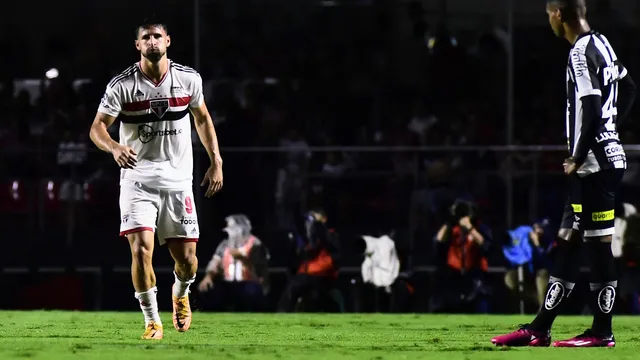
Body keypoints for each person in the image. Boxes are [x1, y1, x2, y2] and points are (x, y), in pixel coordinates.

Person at [491, 0, 636, 348]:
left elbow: (588, 103)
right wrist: (611, 131)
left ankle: (603, 332)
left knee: (599, 246)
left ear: (558, 14)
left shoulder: (580, 52)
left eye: (548, 14)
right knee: (567, 241)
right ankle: (539, 328)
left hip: (593, 166)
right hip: (601, 159)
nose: (549, 21)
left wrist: (578, 154)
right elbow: (629, 88)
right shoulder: (602, 42)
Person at [88, 18, 223, 340]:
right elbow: (97, 128)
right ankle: (152, 321)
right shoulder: (121, 85)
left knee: (188, 261)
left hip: (177, 181)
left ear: (168, 41)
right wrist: (115, 147)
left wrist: (216, 160)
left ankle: (181, 294)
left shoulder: (188, 79)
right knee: (140, 249)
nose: (152, 41)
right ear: (138, 45)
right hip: (138, 180)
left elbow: (202, 118)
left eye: (157, 36)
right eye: (145, 37)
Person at [197, 214, 269, 312]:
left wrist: (243, 259)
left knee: (250, 292)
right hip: (227, 283)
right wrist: (208, 276)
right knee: (211, 290)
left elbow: (260, 266)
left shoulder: (255, 243)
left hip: (249, 282)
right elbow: (215, 261)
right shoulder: (224, 244)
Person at [502, 219, 552, 311]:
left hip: (540, 273)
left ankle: (543, 312)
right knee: (510, 278)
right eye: (537, 228)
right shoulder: (524, 235)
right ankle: (532, 300)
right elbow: (513, 252)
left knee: (542, 277)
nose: (538, 231)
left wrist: (537, 244)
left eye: (541, 228)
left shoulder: (548, 242)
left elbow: (546, 260)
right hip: (524, 273)